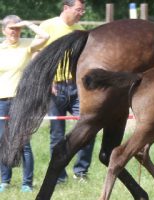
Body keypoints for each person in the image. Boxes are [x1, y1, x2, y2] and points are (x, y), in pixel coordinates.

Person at [33, 0, 93, 183]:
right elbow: (37, 54)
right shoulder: (48, 26)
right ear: (66, 8)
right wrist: (46, 80)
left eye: (83, 10)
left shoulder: (80, 29)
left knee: (87, 130)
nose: (81, 13)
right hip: (55, 87)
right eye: (78, 9)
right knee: (57, 135)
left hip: (76, 87)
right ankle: (59, 176)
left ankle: (81, 172)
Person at [0, 15, 49, 192]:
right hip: (1, 101)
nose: (15, 32)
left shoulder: (26, 45)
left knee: (23, 143)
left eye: (18, 28)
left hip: (21, 101)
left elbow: (45, 37)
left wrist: (28, 23)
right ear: (4, 30)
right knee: (2, 141)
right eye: (11, 28)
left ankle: (26, 183)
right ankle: (5, 180)